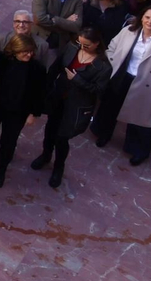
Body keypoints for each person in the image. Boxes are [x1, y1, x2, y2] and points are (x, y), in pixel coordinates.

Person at [95, 5, 151, 165]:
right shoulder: (129, 30)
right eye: (147, 17)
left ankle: (137, 150)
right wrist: (113, 63)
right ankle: (103, 134)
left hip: (146, 83)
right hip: (122, 75)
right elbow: (112, 46)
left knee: (140, 118)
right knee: (110, 107)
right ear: (141, 17)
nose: (150, 21)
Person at [31, 28, 111, 188]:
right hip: (58, 98)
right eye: (79, 43)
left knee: (62, 138)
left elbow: (99, 90)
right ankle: (45, 155)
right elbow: (57, 66)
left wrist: (77, 79)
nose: (82, 47)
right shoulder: (71, 47)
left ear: (96, 44)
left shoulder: (103, 66)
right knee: (50, 130)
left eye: (86, 45)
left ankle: (58, 167)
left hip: (76, 106)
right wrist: (46, 89)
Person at [0, 33, 47, 187]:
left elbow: (39, 93)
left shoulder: (37, 68)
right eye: (24, 51)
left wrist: (34, 114)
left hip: (18, 112)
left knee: (9, 141)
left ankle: (1, 169)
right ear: (14, 50)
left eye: (31, 51)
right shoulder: (0, 59)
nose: (29, 54)